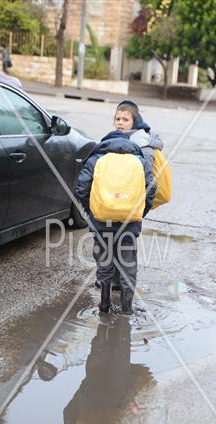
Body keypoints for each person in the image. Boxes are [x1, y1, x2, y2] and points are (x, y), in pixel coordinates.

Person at [75, 130, 155, 314]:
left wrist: (93, 213)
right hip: (129, 223)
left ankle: (104, 306)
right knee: (127, 265)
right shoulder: (140, 161)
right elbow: (151, 191)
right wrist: (138, 213)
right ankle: (127, 309)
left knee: (104, 263)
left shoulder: (96, 160)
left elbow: (81, 189)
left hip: (102, 223)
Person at [101, 100, 164, 292]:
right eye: (117, 119)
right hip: (112, 201)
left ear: (134, 121)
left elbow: (149, 182)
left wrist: (141, 208)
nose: (120, 122)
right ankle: (114, 282)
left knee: (125, 246)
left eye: (125, 119)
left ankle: (123, 287)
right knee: (110, 242)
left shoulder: (142, 145)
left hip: (131, 204)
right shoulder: (113, 139)